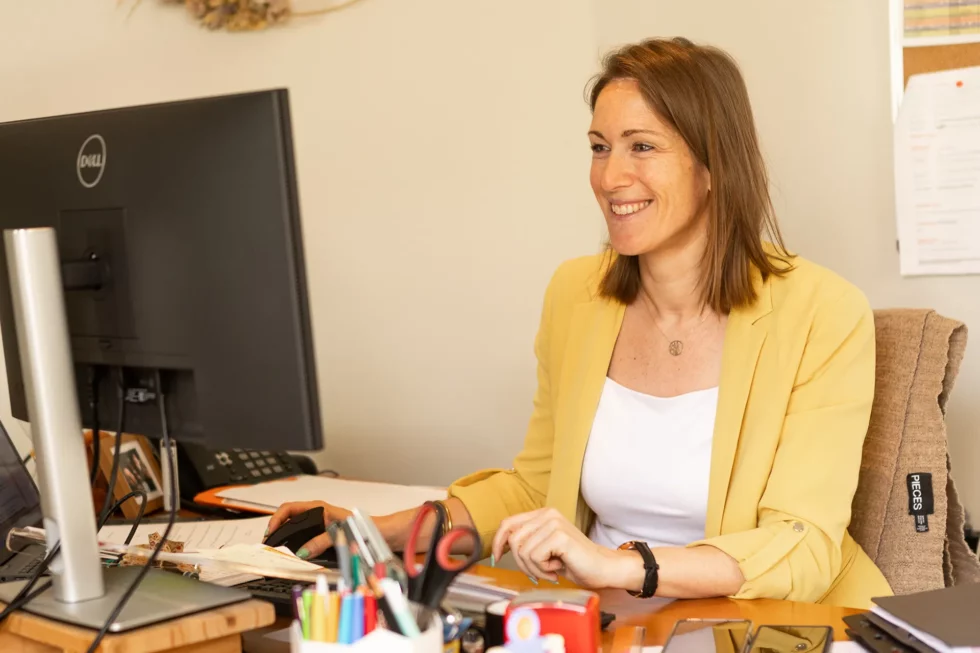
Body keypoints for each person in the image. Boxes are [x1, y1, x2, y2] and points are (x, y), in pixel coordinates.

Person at [266, 37, 892, 608]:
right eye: (599, 147)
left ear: (713, 166)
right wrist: (371, 530)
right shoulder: (578, 295)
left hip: (770, 627)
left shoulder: (822, 311)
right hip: (616, 622)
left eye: (641, 146)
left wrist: (618, 566)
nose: (609, 176)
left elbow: (801, 544)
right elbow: (538, 489)